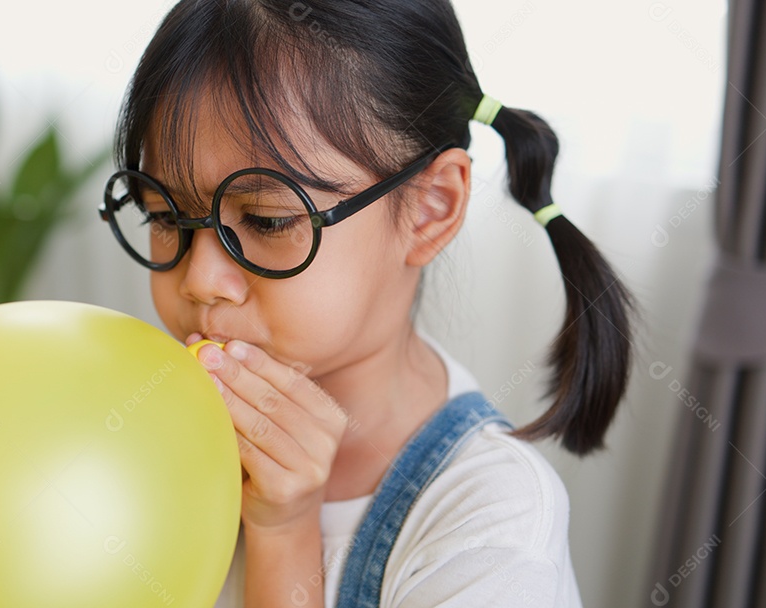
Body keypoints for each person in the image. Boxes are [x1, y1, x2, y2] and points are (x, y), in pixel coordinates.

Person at [98, 0, 635, 606]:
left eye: (267, 221)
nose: (201, 279)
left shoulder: (490, 523)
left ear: (432, 208)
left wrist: (285, 532)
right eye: (164, 214)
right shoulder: (137, 430)